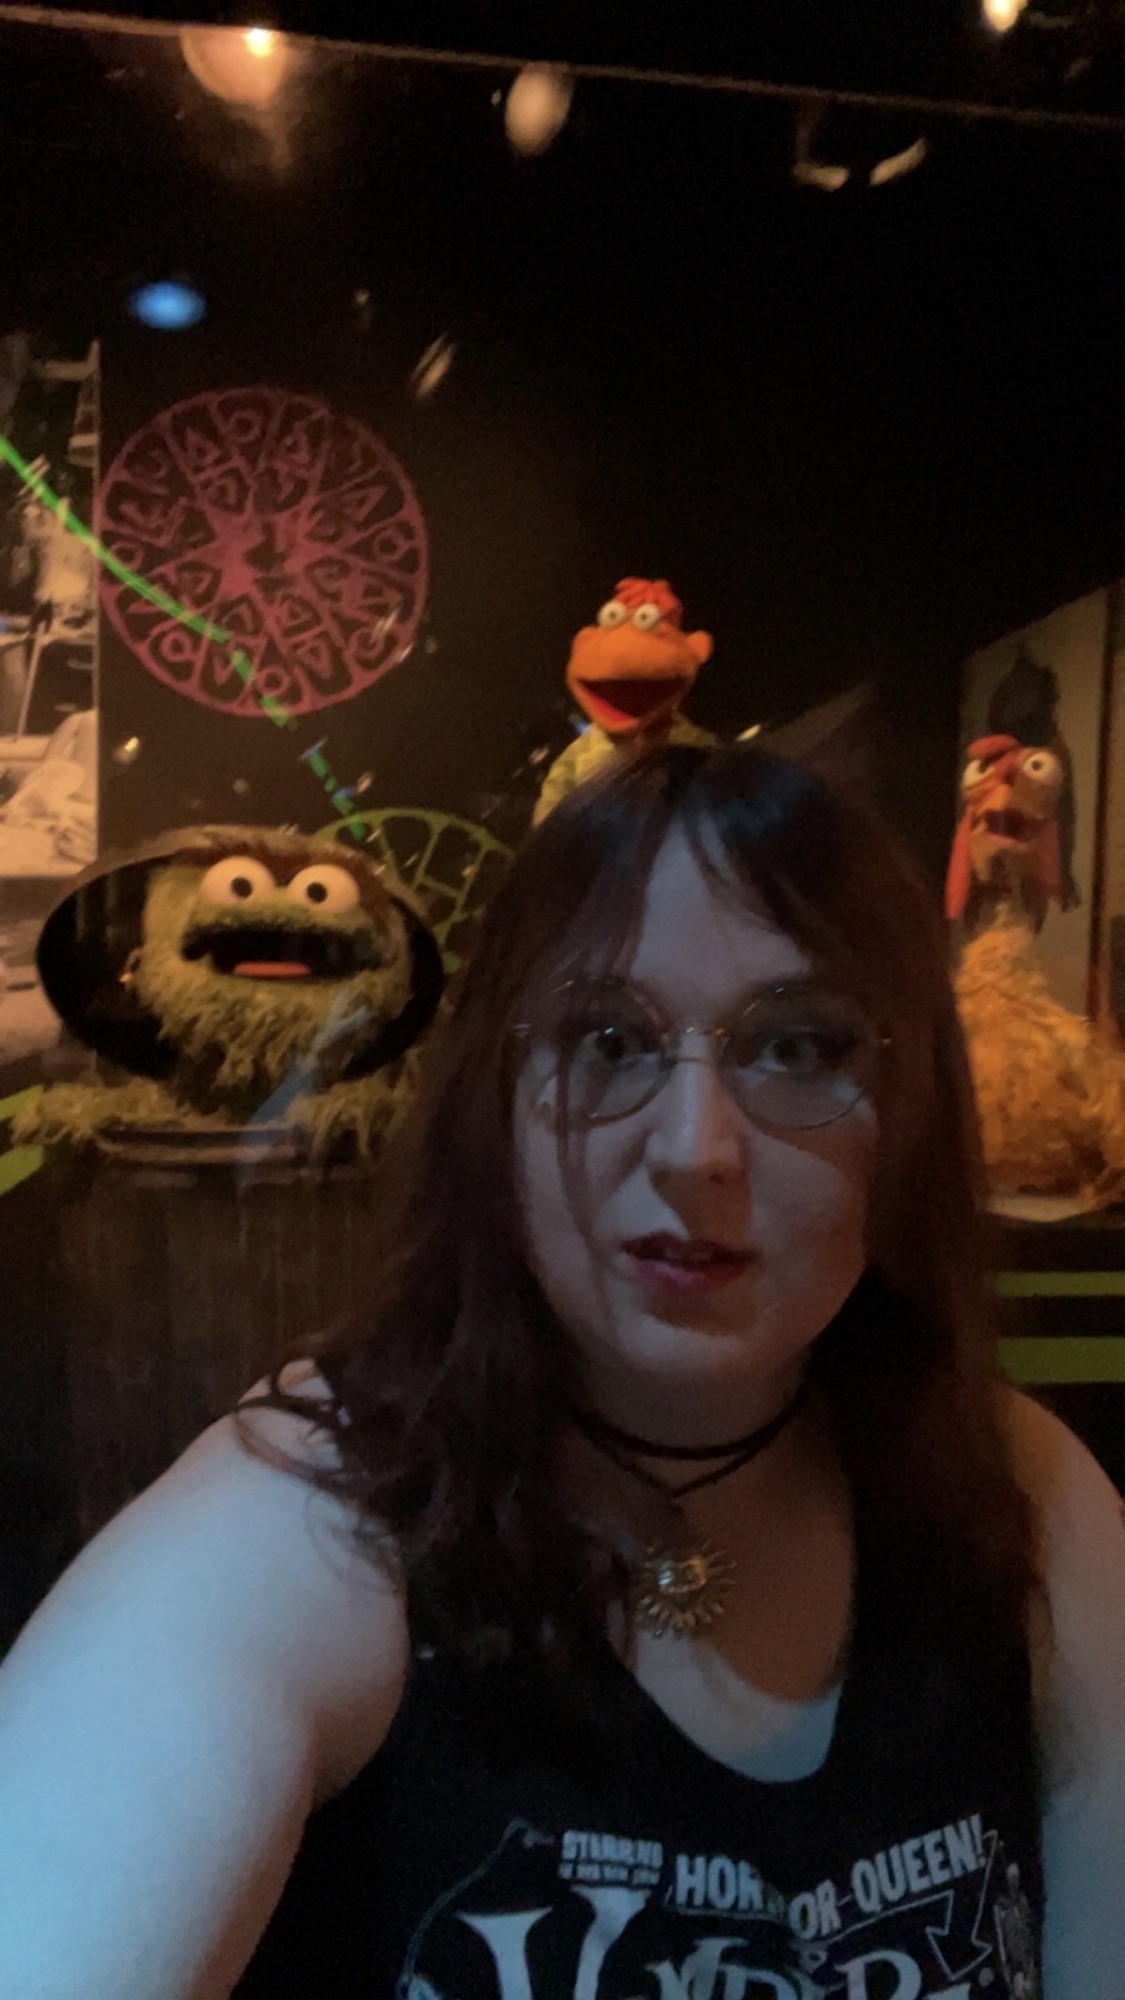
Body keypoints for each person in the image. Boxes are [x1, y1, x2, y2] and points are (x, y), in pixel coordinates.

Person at [0, 742, 1122, 2000]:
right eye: (607, 1036)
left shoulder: (1024, 1496)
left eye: (800, 1047)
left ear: (911, 1111)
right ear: (497, 1097)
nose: (695, 1148)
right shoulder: (315, 1517)